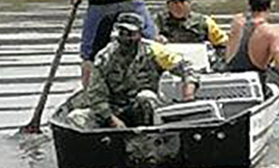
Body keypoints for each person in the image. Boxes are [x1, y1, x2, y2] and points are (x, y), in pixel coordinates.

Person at [68, 12, 198, 129]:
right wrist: (111, 119)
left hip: (143, 109)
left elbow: (185, 67)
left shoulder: (154, 51)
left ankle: (150, 138)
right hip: (113, 110)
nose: (126, 38)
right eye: (122, 33)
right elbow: (96, 95)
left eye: (130, 34)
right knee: (76, 118)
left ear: (140, 34)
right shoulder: (105, 57)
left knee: (146, 97)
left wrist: (188, 92)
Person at [154, 0, 228, 58]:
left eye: (182, 1)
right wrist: (157, 40)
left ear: (189, 3)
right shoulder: (157, 22)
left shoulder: (205, 22)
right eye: (174, 2)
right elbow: (148, 43)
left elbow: (223, 44)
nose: (179, 6)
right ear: (168, 5)